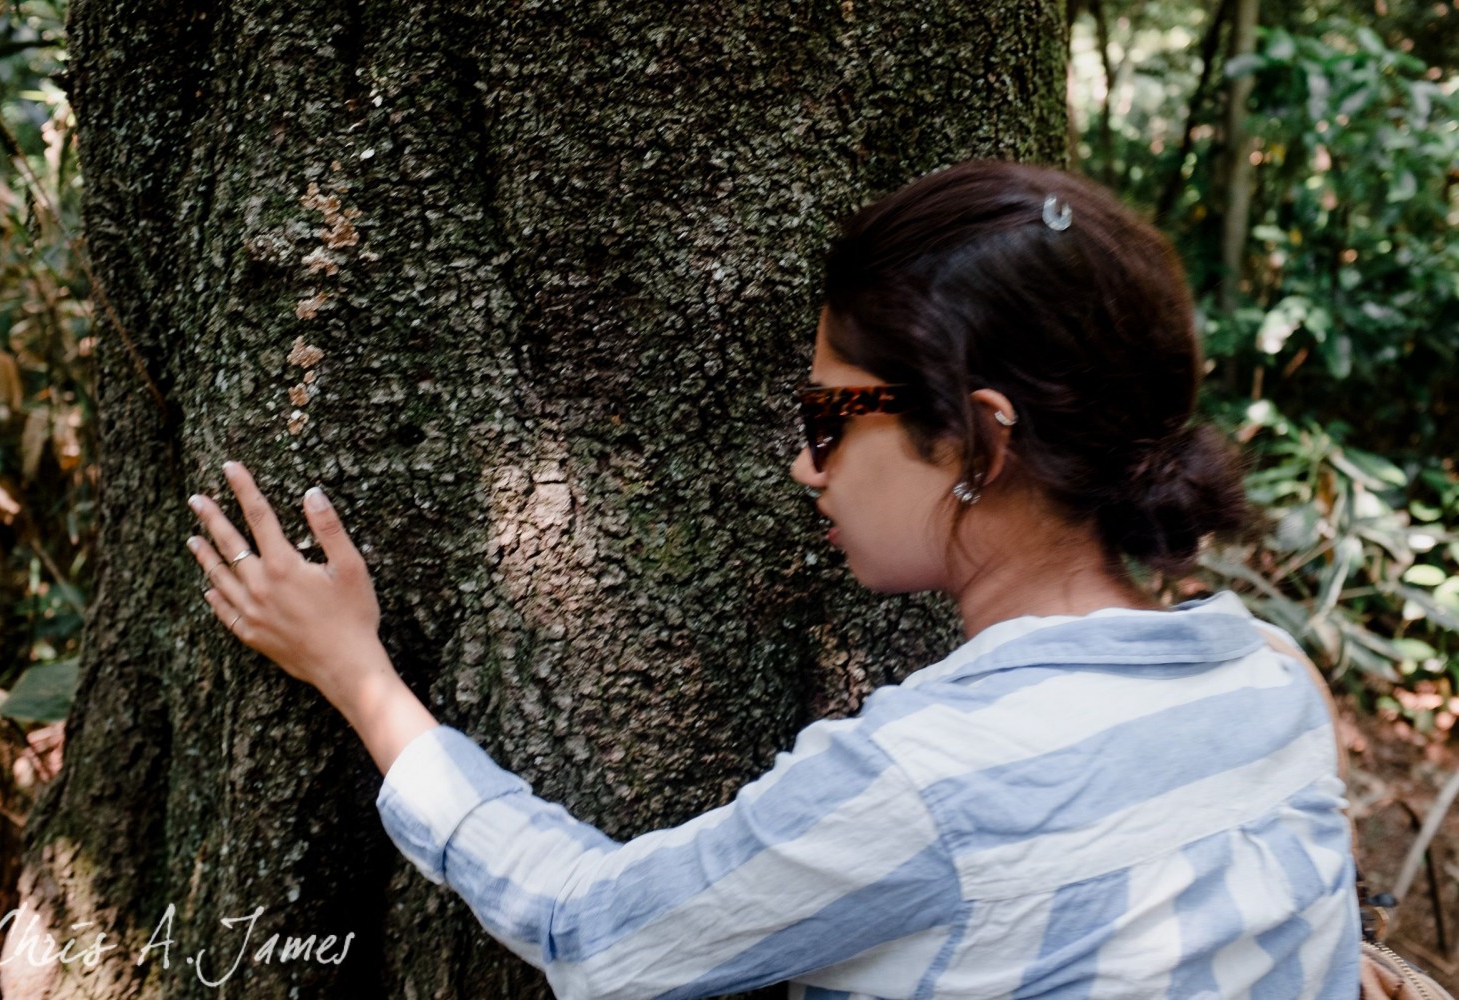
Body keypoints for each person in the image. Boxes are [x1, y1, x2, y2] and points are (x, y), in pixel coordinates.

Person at [187, 160, 1360, 998]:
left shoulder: (920, 781)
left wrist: (358, 674)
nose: (802, 465)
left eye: (828, 412)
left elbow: (595, 932)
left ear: (981, 440)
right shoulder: (1269, 681)